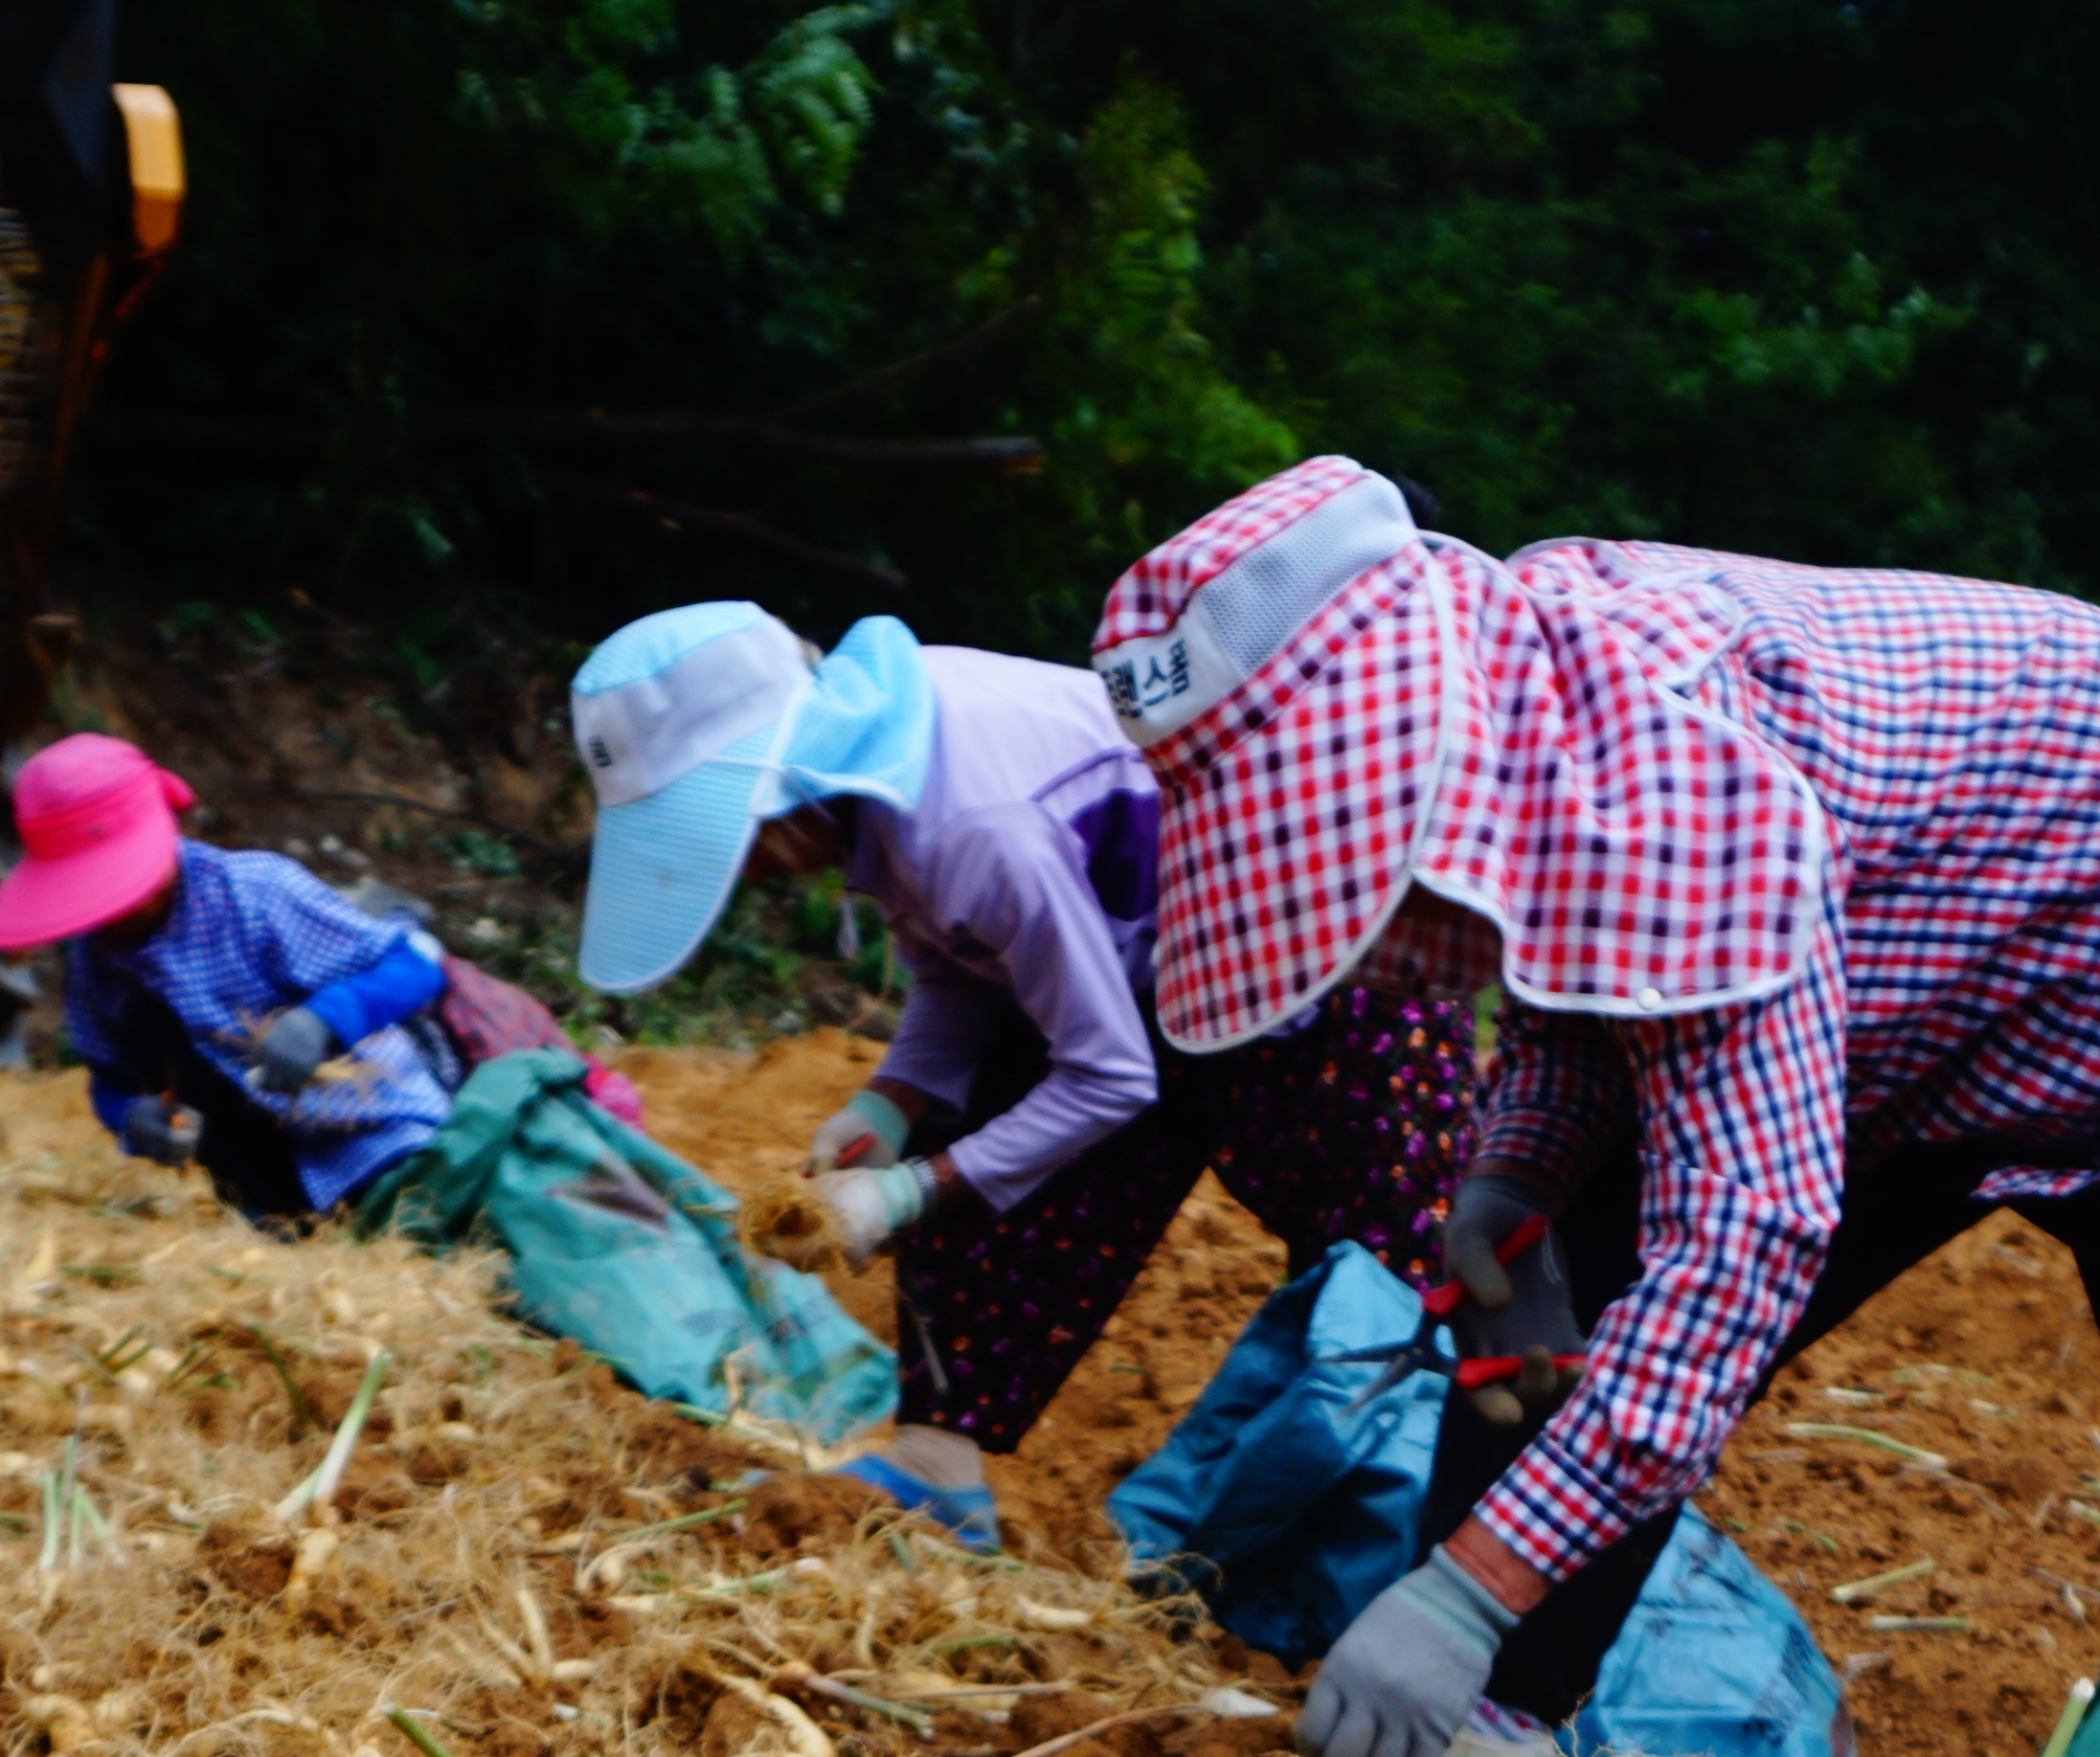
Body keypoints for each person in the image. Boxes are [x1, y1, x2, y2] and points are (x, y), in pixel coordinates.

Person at [1086, 457, 2100, 1757]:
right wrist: (1510, 1181)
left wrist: (1464, 1590)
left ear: (1407, 743)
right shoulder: (1528, 706)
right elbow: (1579, 999)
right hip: (1913, 1004)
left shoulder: (1674, 772)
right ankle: (1491, 1746)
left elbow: (1731, 1267)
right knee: (1543, 1270)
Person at [569, 601, 1471, 1549]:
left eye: (722, 832)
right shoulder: (884, 774)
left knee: (1378, 1281)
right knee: (970, 1122)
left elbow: (1108, 1078)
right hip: (1151, 972)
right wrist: (889, 1105)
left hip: (1330, 980)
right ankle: (933, 1471)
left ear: (776, 789)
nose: (735, 866)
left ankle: (1394, 1552)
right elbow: (960, 968)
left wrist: (903, 1195)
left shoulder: (972, 826)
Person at [0, 732, 460, 1227]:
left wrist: (322, 1020)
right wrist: (128, 1116)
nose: (116, 909)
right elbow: (108, 1076)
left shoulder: (254, 894)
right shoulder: (95, 961)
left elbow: (418, 963)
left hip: (383, 1142)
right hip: (264, 1193)